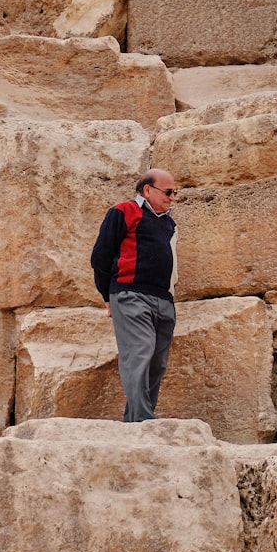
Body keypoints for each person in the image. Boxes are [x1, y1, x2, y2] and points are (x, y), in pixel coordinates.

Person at [90, 168, 178, 422]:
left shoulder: (169, 223)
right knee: (140, 351)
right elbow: (100, 256)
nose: (172, 197)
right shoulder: (123, 211)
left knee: (158, 362)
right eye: (168, 192)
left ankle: (136, 420)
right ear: (147, 190)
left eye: (175, 193)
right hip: (130, 294)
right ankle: (143, 418)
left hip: (163, 299)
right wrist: (107, 294)